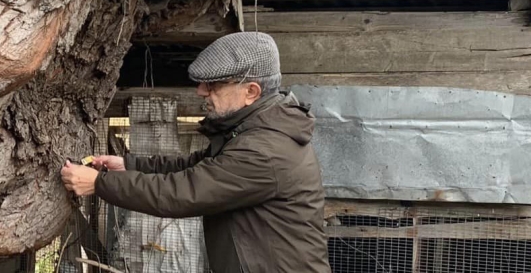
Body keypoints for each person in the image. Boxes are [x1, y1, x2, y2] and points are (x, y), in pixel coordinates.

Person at [61, 32, 331, 273]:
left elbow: (183, 192)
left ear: (251, 91)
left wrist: (98, 183)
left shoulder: (265, 151)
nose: (201, 91)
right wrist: (129, 164)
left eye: (214, 84)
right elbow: (194, 166)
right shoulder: (253, 132)